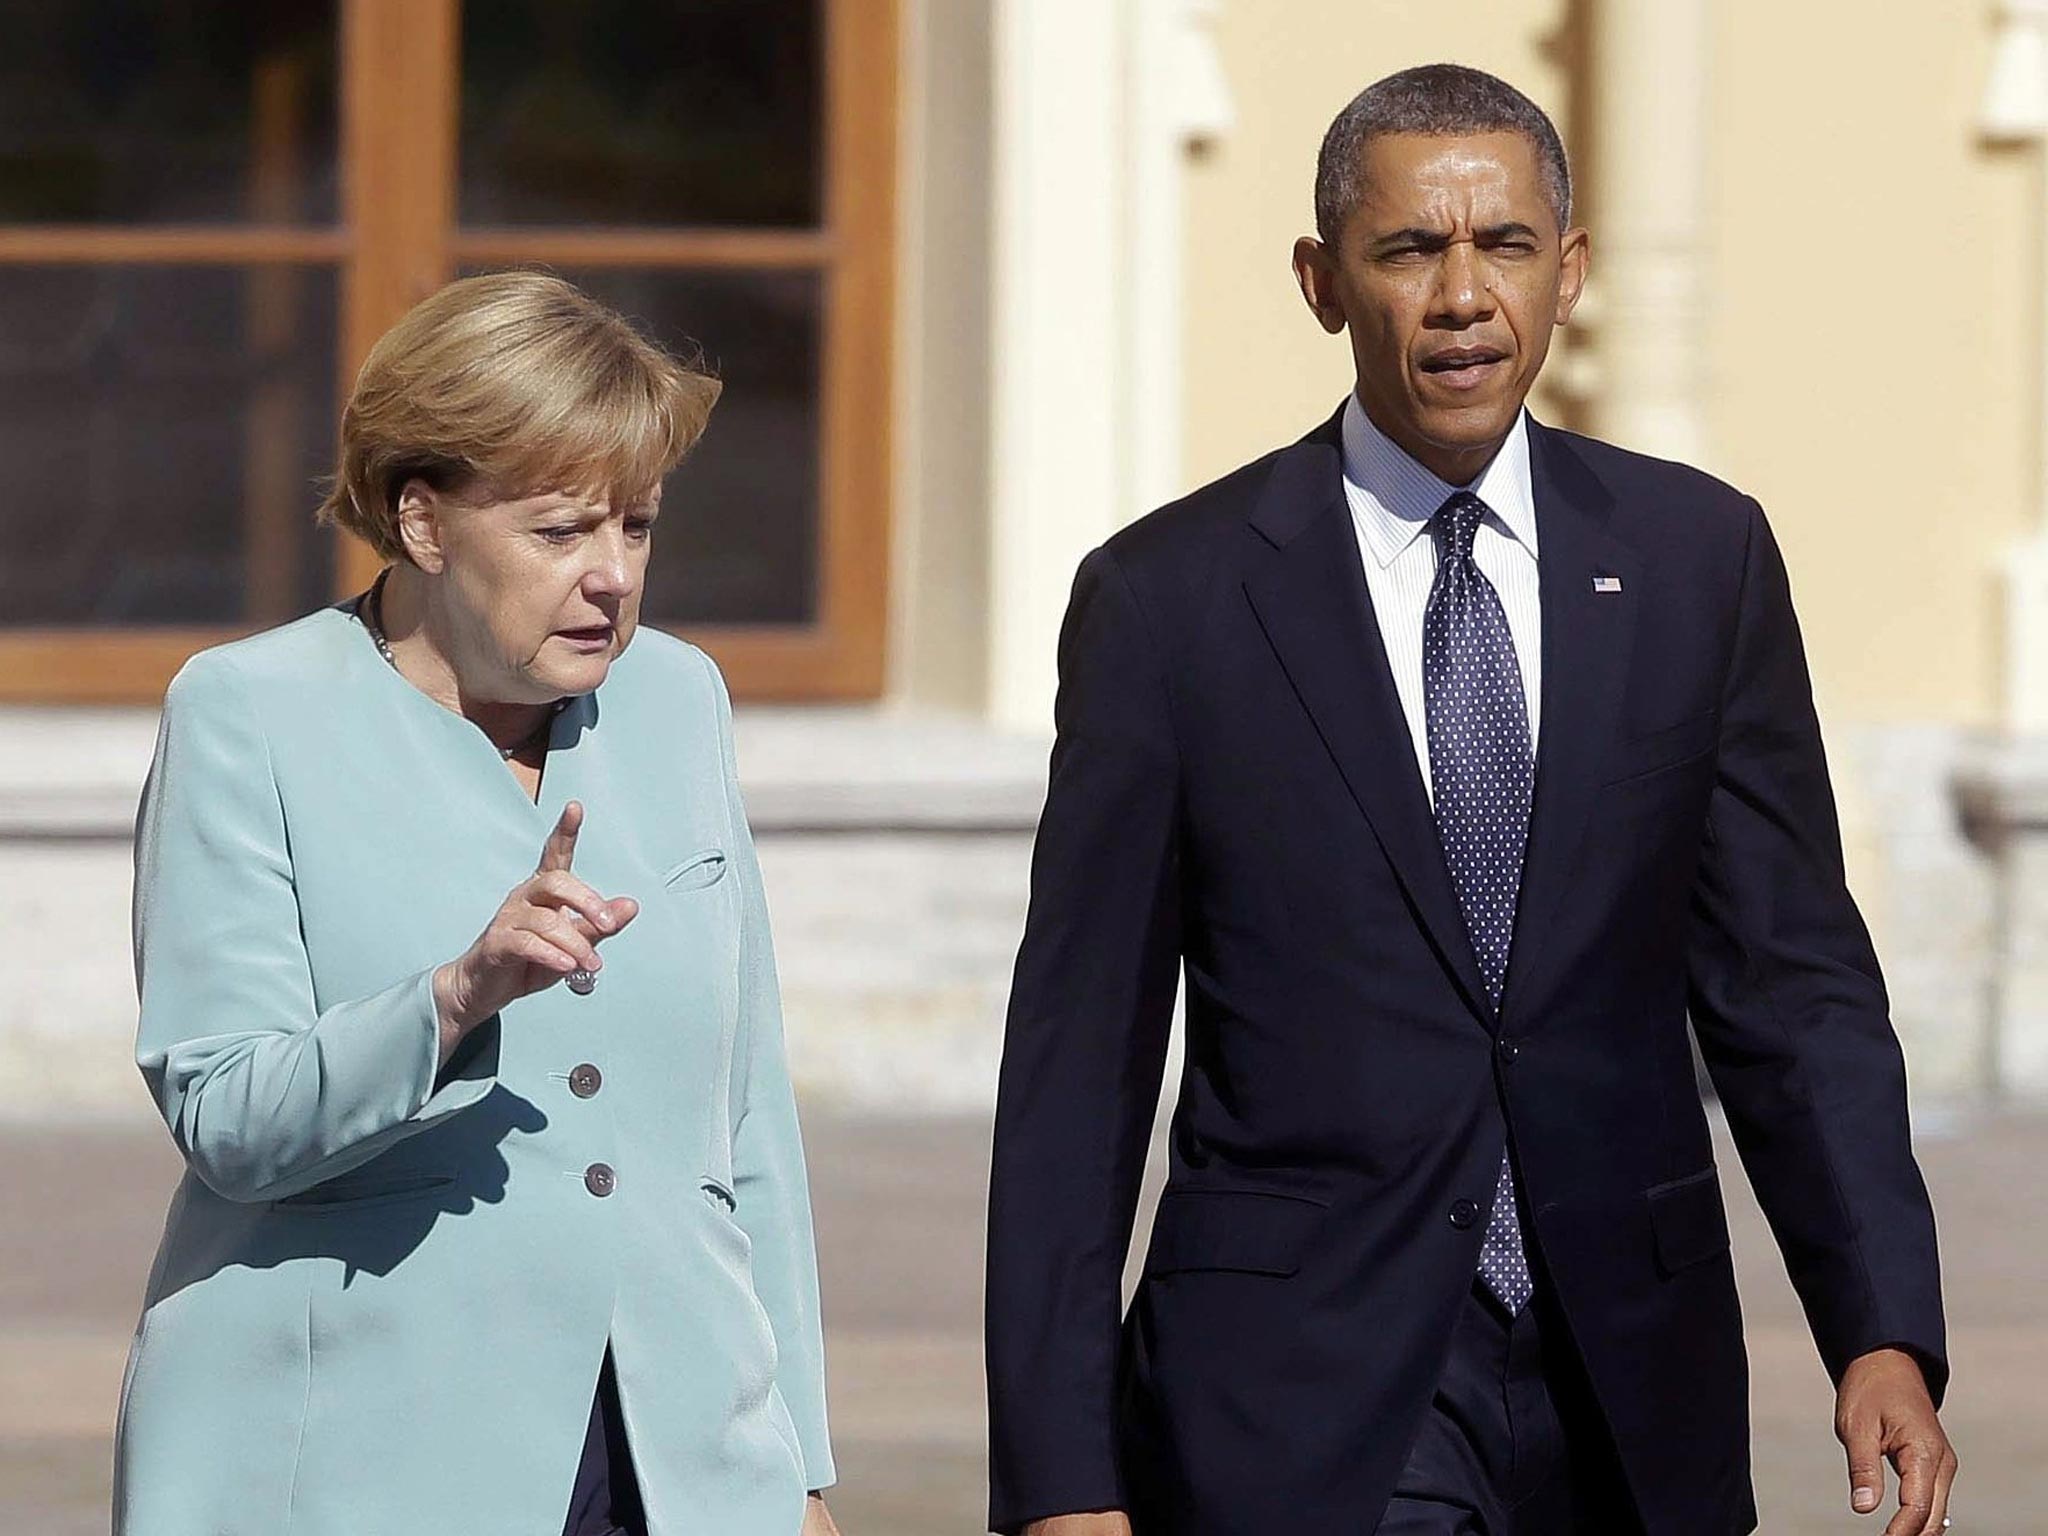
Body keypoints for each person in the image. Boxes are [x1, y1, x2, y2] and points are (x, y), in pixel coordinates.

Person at [984, 64, 1958, 1536]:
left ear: (1569, 275)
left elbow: (1791, 983)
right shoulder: (1168, 604)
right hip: (1301, 1390)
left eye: (1502, 245)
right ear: (1322, 283)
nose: (1460, 295)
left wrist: (1879, 1320)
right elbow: (1079, 1059)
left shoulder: (1699, 562)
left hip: (1629, 1381)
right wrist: (1061, 1478)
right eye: (1407, 251)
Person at [113, 270, 841, 1536]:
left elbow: (747, 1126)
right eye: (563, 532)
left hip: (672, 1459)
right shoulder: (247, 713)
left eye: (638, 526)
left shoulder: (678, 700)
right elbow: (226, 1114)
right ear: (424, 523)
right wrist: (450, 1003)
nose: (612, 575)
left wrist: (797, 1468)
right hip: (360, 1462)